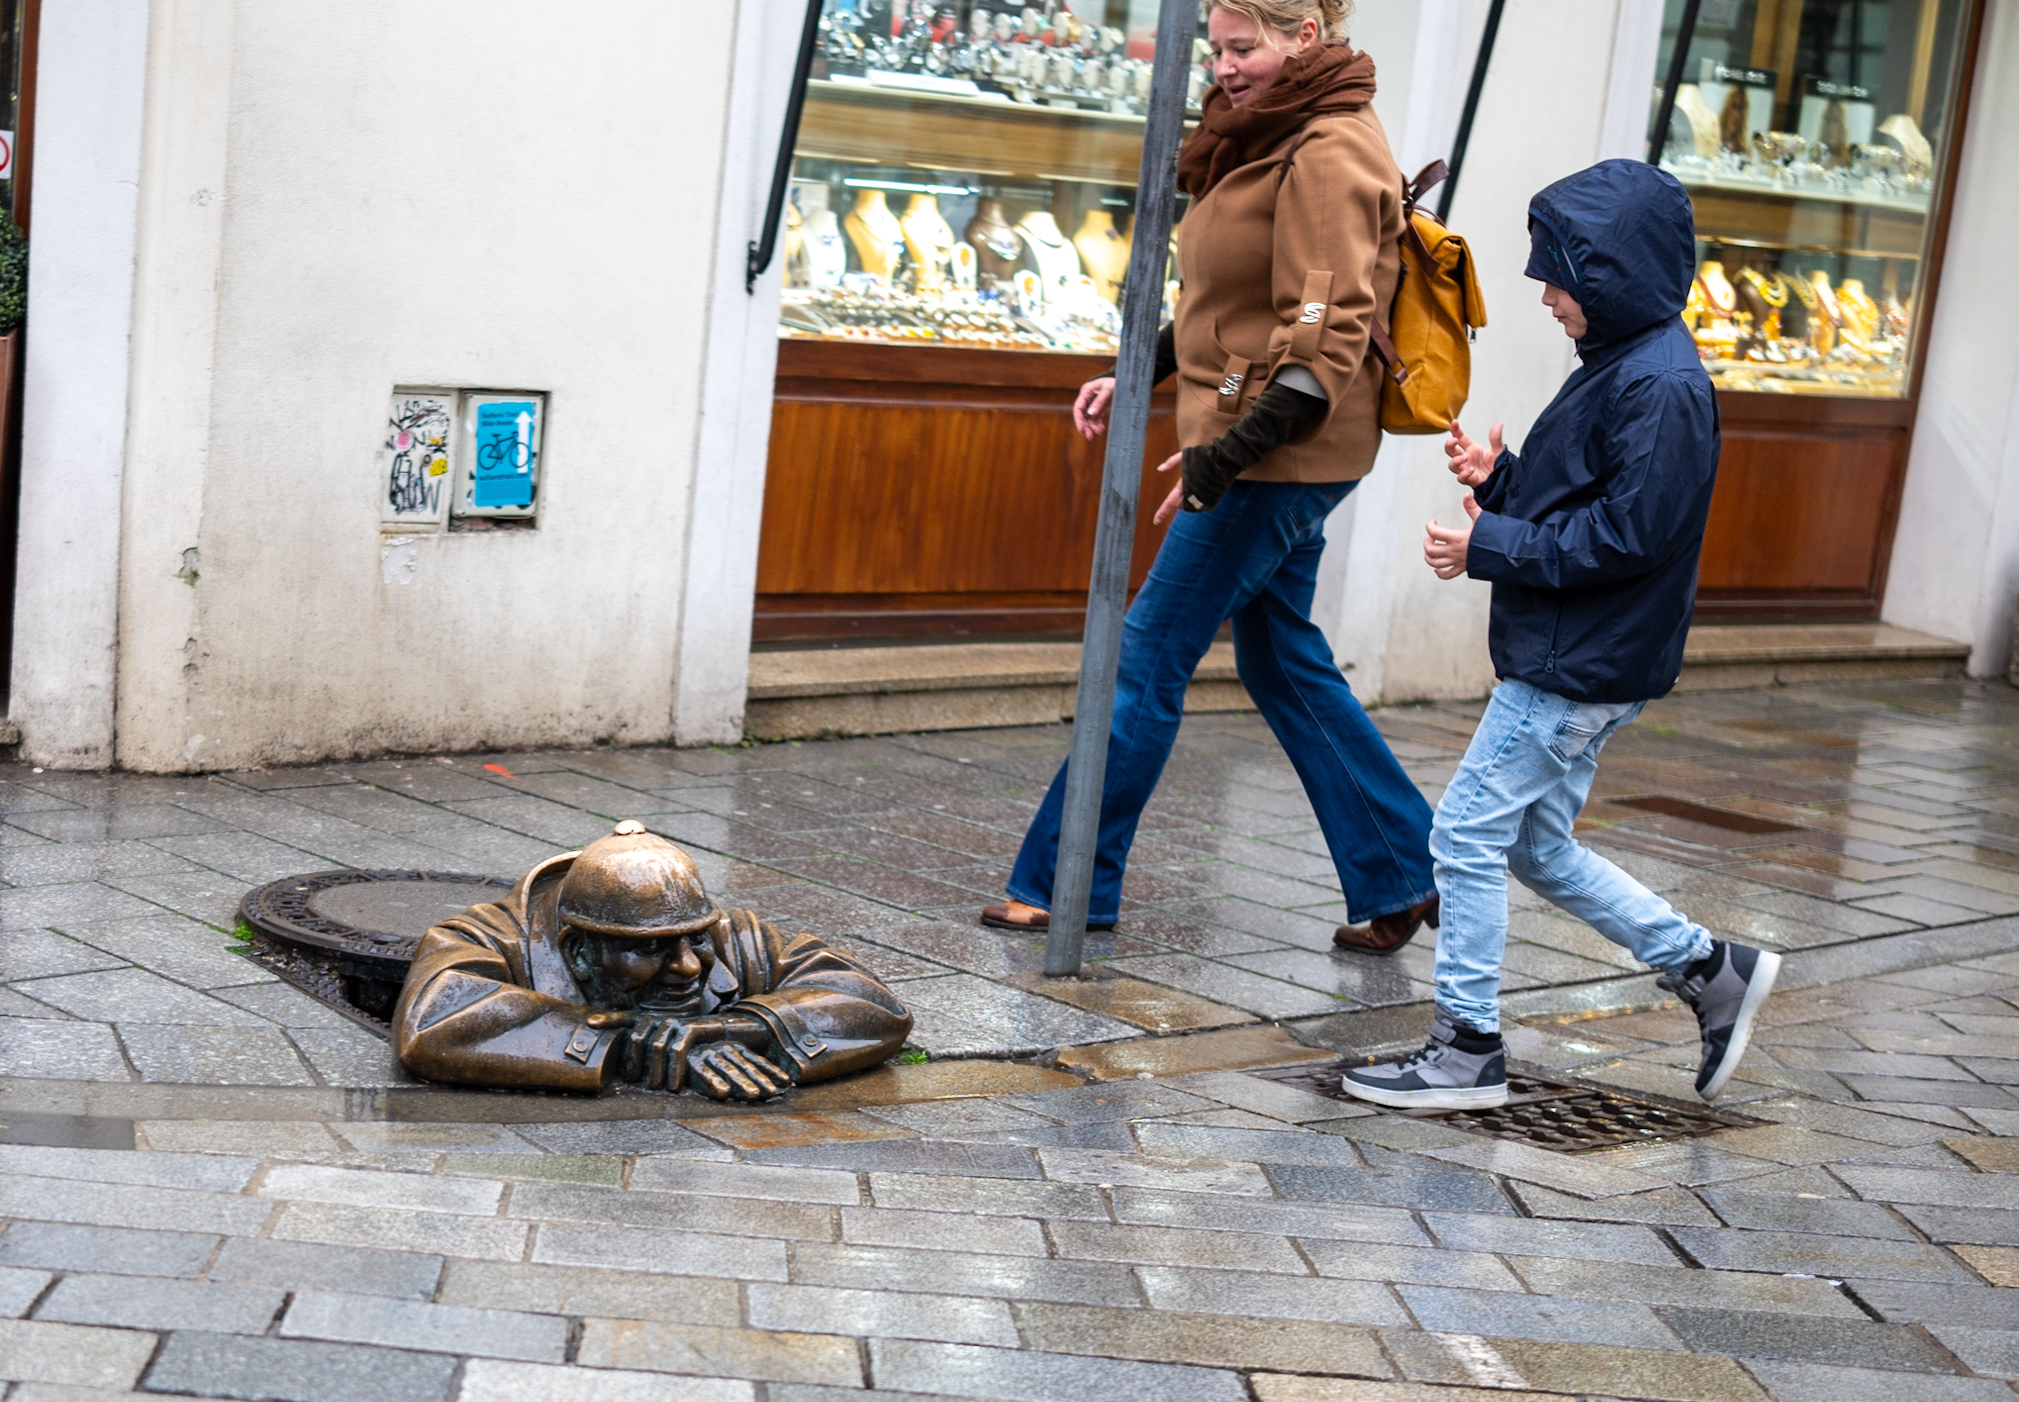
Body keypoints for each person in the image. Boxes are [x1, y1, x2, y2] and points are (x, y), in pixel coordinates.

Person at [988, 0, 1438, 953]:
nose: (1224, 67)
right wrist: (1138, 371)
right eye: (1217, 48)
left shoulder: (1327, 150)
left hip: (1275, 456)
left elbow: (1323, 336)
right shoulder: (1272, 129)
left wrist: (1223, 460)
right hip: (1267, 445)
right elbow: (1226, 300)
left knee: (1146, 654)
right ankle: (1403, 869)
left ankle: (1066, 881)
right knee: (1280, 656)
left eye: (1244, 48)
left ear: (1304, 37)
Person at [1343, 158, 1776, 1111]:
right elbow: (1597, 502)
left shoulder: (1660, 385)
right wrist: (1501, 481)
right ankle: (1711, 970)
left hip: (1573, 665)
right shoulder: (1629, 365)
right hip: (1579, 652)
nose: (1546, 297)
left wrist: (1488, 544)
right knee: (1536, 848)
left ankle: (1466, 1049)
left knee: (1463, 833)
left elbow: (1628, 536)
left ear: (1610, 276)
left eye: (1560, 279)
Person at [392, 823, 911, 1099]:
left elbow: (875, 1005)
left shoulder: (732, 936)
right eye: (649, 948)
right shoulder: (487, 937)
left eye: (696, 940)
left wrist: (733, 1030)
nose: (688, 967)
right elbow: (432, 1025)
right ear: (577, 951)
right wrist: (631, 1045)